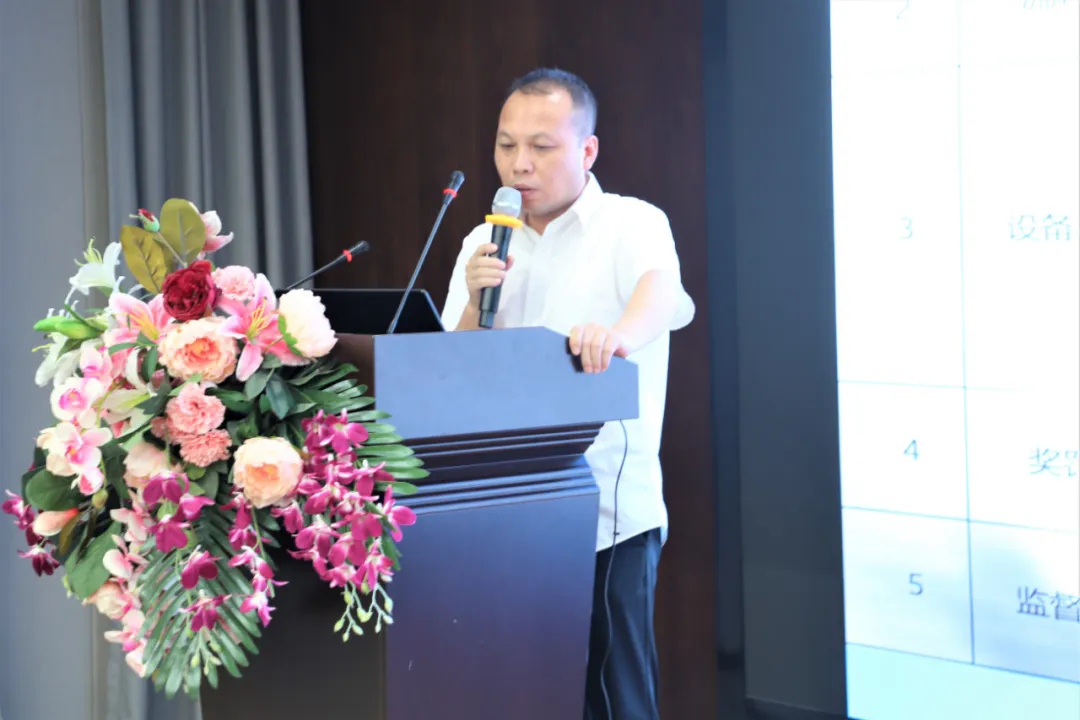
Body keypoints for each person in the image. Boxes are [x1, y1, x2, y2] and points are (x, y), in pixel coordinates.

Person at [440, 67, 694, 720]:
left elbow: (661, 294)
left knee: (613, 699)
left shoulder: (631, 223)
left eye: (541, 146)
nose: (518, 164)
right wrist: (471, 303)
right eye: (506, 145)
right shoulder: (482, 241)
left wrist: (616, 337)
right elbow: (448, 366)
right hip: (502, 511)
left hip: (606, 514)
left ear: (587, 150)